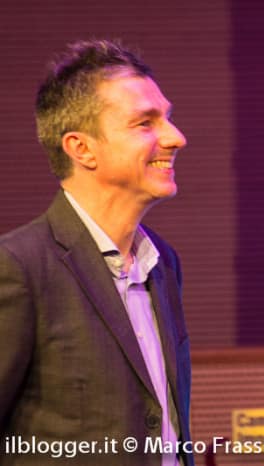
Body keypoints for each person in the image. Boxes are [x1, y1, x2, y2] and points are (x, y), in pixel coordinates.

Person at [0, 39, 192, 466]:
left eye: (167, 118)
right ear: (81, 148)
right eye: (145, 123)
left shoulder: (163, 262)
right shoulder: (18, 268)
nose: (176, 137)